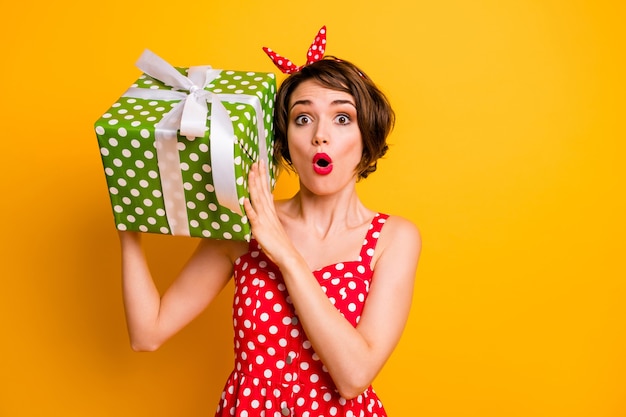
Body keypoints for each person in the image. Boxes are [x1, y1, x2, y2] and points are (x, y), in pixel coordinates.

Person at [118, 32, 421, 417]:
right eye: (303, 118)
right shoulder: (246, 221)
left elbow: (354, 375)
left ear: (367, 138)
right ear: (284, 141)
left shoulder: (393, 238)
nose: (320, 136)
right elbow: (148, 333)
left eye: (342, 118)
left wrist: (284, 253)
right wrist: (128, 218)